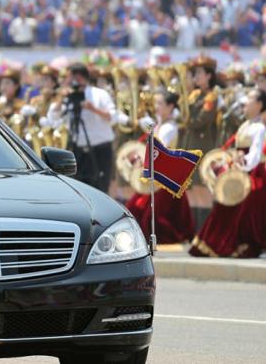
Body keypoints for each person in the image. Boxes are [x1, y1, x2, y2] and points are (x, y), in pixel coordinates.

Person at [191, 89, 266, 257]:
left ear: (260, 105)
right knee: (225, 202)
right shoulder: (246, 125)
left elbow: (255, 154)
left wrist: (243, 162)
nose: (245, 105)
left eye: (250, 101)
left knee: (239, 204)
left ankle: (238, 243)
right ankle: (216, 242)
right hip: (240, 170)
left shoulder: (260, 128)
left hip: (251, 173)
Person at [126, 91, 194, 244]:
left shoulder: (169, 127)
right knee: (137, 207)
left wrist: (140, 157)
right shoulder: (159, 125)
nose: (156, 107)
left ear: (170, 107)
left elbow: (158, 149)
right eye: (155, 103)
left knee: (152, 212)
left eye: (160, 104)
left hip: (165, 176)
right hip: (158, 174)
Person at [47, 63, 117, 193]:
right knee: (78, 189)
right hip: (77, 150)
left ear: (79, 77)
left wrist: (93, 109)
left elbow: (113, 118)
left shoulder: (99, 94)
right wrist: (61, 99)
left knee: (100, 189)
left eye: (70, 78)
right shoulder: (68, 96)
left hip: (99, 150)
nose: (68, 81)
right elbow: (53, 118)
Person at [181, 55, 220, 155]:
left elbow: (199, 121)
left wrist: (185, 120)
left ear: (209, 76)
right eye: (195, 73)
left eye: (199, 72)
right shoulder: (195, 94)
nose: (196, 76)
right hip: (189, 142)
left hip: (201, 146)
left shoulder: (211, 97)